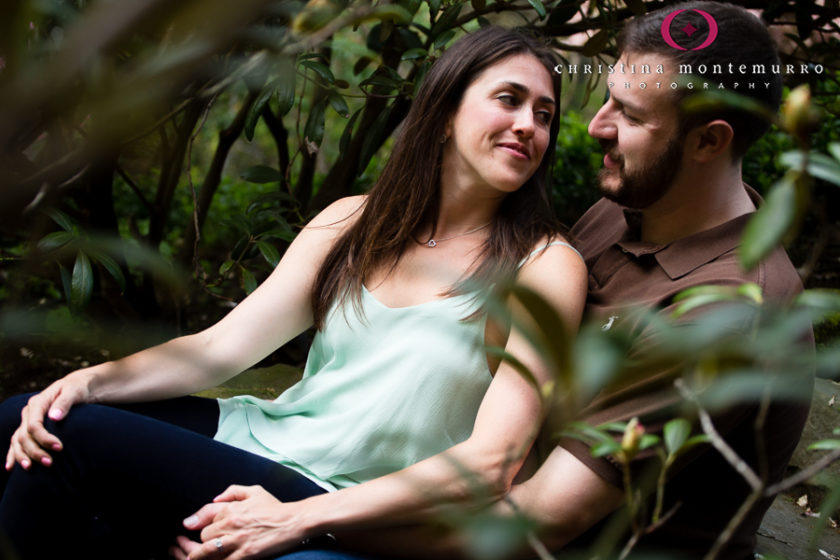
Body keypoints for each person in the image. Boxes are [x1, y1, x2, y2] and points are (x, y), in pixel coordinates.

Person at [0, 27, 589, 560]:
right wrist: (89, 379)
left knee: (72, 441)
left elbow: (493, 463)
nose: (528, 126)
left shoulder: (542, 264)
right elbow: (218, 350)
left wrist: (292, 519)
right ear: (443, 114)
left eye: (544, 115)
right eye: (509, 100)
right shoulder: (354, 222)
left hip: (343, 492)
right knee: (25, 417)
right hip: (266, 441)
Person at [251, 3, 813, 559]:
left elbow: (540, 521)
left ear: (708, 143)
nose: (596, 126)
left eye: (632, 116)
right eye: (608, 98)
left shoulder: (725, 314)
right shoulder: (622, 212)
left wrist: (307, 518)